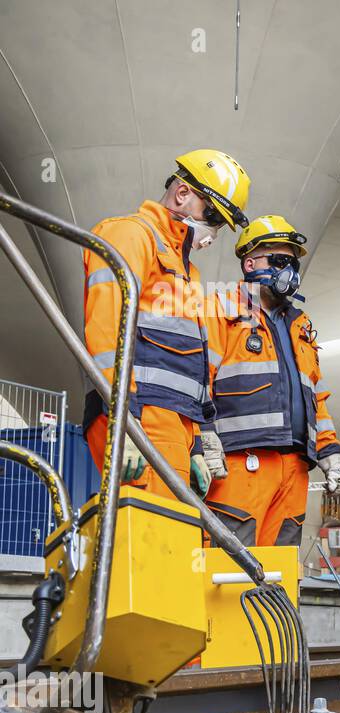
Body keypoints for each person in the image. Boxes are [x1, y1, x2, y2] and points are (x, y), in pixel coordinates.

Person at [83, 149, 249, 499]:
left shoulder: (186, 271)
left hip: (172, 422)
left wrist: (197, 446)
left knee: (171, 540)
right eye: (212, 215)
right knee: (153, 539)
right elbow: (106, 333)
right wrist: (122, 423)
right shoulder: (130, 235)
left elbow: (191, 365)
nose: (214, 230)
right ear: (183, 194)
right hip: (141, 414)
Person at [202, 215, 340, 546]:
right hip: (239, 463)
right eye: (280, 260)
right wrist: (204, 441)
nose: (289, 271)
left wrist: (332, 458)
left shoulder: (300, 325)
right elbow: (198, 381)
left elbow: (316, 400)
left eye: (292, 263)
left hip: (295, 468)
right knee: (230, 561)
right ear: (250, 262)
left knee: (280, 568)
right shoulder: (220, 309)